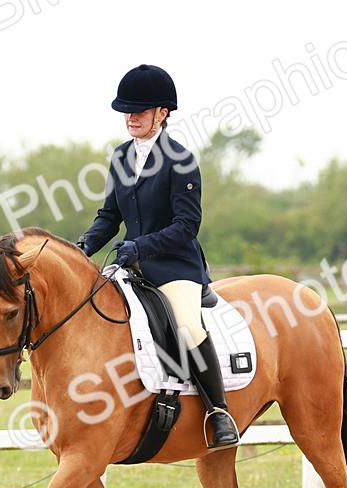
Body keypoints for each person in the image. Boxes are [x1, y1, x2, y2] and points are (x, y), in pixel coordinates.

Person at [77, 64, 239, 449]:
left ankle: (219, 412)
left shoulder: (180, 160)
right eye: (127, 110)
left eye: (140, 110)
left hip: (174, 265)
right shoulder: (120, 156)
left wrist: (142, 245)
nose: (131, 117)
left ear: (162, 114)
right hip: (131, 265)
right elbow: (109, 217)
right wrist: (82, 246)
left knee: (187, 324)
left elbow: (187, 225)